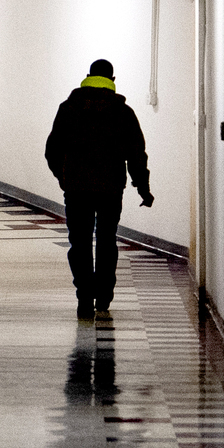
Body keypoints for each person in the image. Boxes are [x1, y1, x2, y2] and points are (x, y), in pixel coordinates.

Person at [45, 59, 153, 319]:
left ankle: (84, 297)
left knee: (79, 242)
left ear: (87, 76)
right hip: (110, 189)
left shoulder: (68, 108)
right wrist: (143, 188)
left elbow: (52, 150)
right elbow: (136, 154)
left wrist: (64, 177)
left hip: (77, 189)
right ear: (112, 81)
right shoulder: (123, 112)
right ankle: (103, 297)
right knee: (106, 241)